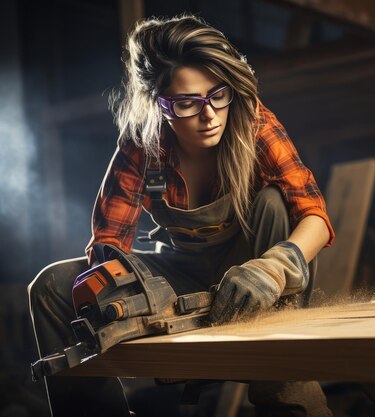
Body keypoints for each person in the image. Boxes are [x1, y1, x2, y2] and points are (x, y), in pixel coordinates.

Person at [28, 14, 334, 417]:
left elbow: (314, 215)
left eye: (217, 95)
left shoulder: (255, 123)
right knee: (51, 287)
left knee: (274, 204)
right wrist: (121, 294)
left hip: (257, 269)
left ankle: (284, 399)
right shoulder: (143, 144)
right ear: (159, 105)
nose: (210, 115)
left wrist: (275, 268)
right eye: (187, 104)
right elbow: (107, 245)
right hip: (181, 273)